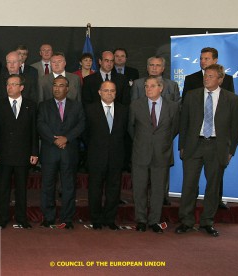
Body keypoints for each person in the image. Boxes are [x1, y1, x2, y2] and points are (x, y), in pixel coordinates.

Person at [176, 64, 238, 237]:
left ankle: (207, 222)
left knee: (213, 187)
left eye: (211, 76)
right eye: (206, 75)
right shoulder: (191, 96)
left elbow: (237, 127)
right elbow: (183, 123)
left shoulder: (232, 99)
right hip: (193, 146)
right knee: (189, 185)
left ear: (220, 79)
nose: (206, 78)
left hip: (217, 147)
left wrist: (231, 150)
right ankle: (186, 221)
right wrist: (181, 146)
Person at [181, 47, 236, 210]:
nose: (202, 61)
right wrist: (182, 144)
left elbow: (230, 113)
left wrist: (229, 146)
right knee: (190, 180)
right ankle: (188, 213)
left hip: (217, 139)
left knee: (215, 177)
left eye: (206, 58)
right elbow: (185, 112)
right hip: (195, 139)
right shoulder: (191, 79)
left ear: (215, 60)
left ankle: (216, 202)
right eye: (201, 58)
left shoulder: (227, 80)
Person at [129, 76, 179, 233]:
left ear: (161, 88)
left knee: (158, 190)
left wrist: (161, 142)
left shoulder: (172, 106)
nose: (148, 89)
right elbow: (131, 129)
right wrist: (143, 142)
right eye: (146, 86)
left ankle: (154, 221)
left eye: (152, 86)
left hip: (162, 153)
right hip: (140, 153)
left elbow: (175, 128)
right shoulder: (136, 105)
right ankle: (141, 220)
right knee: (139, 188)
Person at [0, 74, 39, 229]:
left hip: (23, 154)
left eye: (13, 84)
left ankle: (22, 218)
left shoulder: (31, 105)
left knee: (21, 189)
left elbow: (34, 132)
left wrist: (34, 152)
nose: (9, 87)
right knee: (3, 188)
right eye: (8, 84)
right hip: (4, 154)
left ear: (21, 87)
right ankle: (3, 218)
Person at [37, 76, 85, 229]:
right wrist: (54, 140)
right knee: (48, 186)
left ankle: (67, 218)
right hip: (50, 151)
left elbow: (81, 124)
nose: (57, 88)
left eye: (61, 85)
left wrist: (67, 138)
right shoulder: (44, 105)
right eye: (55, 85)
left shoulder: (76, 106)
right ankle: (48, 217)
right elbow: (40, 124)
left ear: (67, 89)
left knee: (68, 186)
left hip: (69, 151)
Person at [84, 81, 128, 230]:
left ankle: (110, 219)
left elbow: (126, 134)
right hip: (96, 156)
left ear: (116, 93)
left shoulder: (123, 110)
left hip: (116, 156)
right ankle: (96, 219)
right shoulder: (90, 109)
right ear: (99, 92)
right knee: (95, 188)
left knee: (114, 189)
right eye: (106, 90)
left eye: (112, 91)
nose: (109, 93)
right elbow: (85, 133)